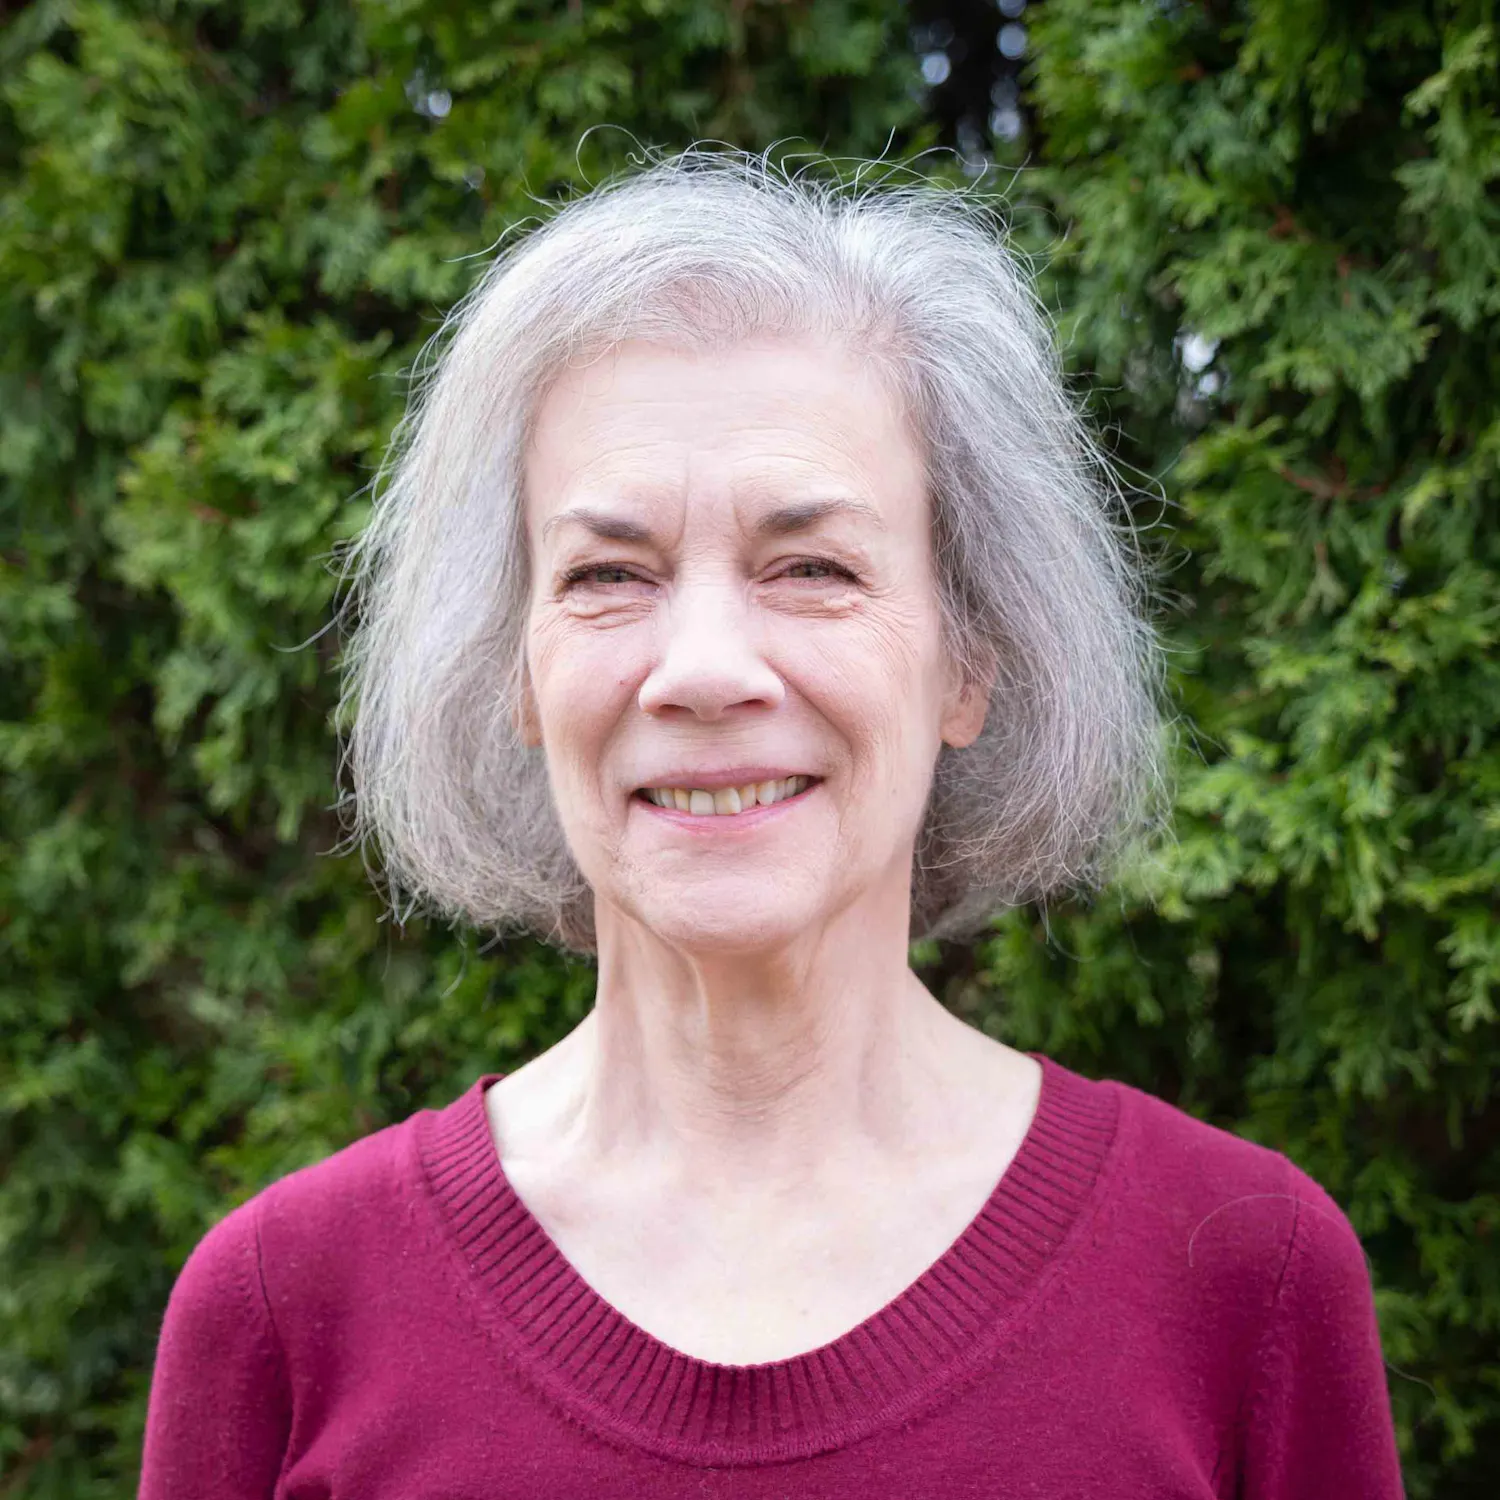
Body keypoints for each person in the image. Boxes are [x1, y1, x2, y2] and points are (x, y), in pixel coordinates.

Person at [138, 149, 1404, 1498]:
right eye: (609, 574)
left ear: (969, 656)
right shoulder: (287, 1308)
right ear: (515, 671)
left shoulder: (1239, 1279)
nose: (703, 669)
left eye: (811, 567)